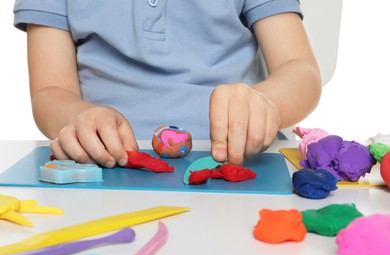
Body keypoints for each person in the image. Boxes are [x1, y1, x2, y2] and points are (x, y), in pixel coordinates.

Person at [13, 0, 321, 168]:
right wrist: (76, 119)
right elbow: (50, 91)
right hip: (104, 163)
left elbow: (301, 71)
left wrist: (264, 103)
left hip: (241, 160)